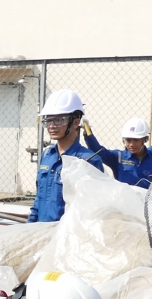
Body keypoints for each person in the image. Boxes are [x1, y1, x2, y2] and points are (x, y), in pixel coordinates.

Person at [27, 89, 105, 222]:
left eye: (59, 120)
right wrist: (29, 227)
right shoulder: (47, 156)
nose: (51, 126)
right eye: (48, 120)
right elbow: (39, 200)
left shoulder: (88, 161)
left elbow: (91, 211)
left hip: (67, 236)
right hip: (40, 232)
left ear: (75, 122)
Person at [99, 117, 152, 188]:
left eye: (136, 140)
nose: (131, 144)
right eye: (128, 140)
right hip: (124, 198)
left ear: (146, 139)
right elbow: (98, 151)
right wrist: (88, 134)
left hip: (148, 198)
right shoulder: (118, 157)